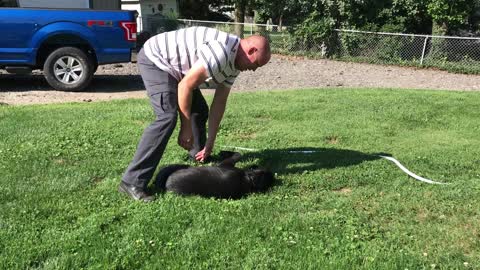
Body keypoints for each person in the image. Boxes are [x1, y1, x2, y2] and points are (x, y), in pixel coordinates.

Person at [118, 26, 271, 202]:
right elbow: (185, 86)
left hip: (179, 70)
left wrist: (210, 144)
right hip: (157, 60)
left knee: (200, 110)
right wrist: (185, 128)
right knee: (167, 117)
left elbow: (219, 103)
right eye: (256, 64)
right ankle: (131, 182)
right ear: (251, 51)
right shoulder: (221, 51)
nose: (254, 70)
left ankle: (198, 153)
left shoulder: (235, 64)